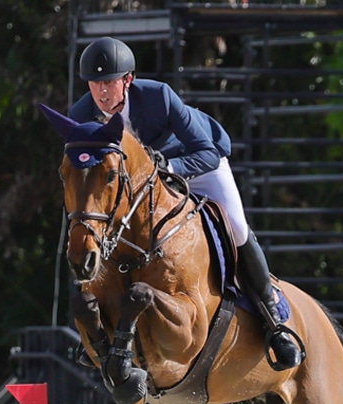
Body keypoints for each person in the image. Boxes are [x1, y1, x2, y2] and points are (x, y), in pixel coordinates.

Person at [69, 36, 304, 371]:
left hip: (192, 164)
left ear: (127, 80)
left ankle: (273, 319)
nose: (102, 93)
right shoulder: (81, 115)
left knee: (235, 226)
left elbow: (206, 152)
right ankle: (96, 331)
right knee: (100, 229)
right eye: (94, 84)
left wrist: (169, 168)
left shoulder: (158, 97)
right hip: (140, 187)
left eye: (108, 82)